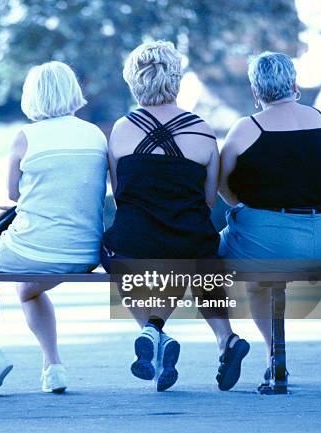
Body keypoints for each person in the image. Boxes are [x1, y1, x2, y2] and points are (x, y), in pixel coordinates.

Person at [101, 41, 249, 392]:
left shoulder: (121, 130)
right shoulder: (202, 131)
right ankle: (226, 339)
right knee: (199, 261)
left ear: (134, 81)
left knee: (112, 254)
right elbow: (210, 199)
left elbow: (120, 192)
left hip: (136, 243)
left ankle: (153, 331)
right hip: (192, 242)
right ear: (176, 79)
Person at [0, 61, 107, 395]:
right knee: (28, 290)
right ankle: (53, 366)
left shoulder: (25, 137)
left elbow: (13, 194)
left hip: (33, 249)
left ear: (32, 97)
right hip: (84, 252)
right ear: (73, 91)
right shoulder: (96, 135)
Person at [218, 51, 321, 387]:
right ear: (294, 85)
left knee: (207, 257)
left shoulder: (247, 128)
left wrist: (245, 205)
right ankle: (275, 358)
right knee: (261, 280)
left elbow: (221, 183)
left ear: (255, 92)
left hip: (268, 239)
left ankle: (243, 344)